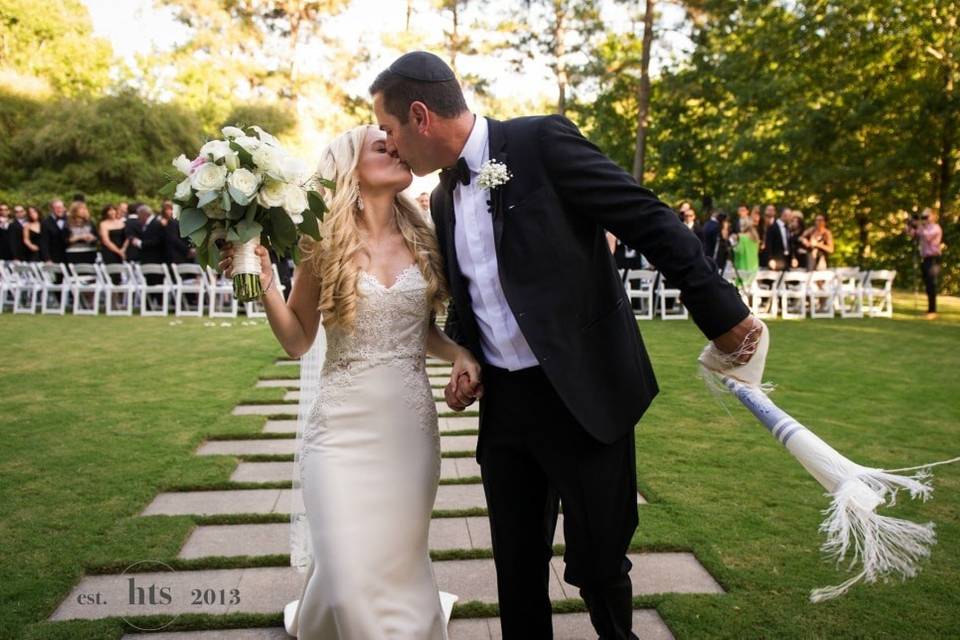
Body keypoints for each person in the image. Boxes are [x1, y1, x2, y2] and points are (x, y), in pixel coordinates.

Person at [371, 51, 760, 639]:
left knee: (600, 564)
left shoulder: (540, 143)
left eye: (390, 128)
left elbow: (649, 219)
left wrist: (722, 315)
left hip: (584, 395)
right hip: (507, 410)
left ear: (420, 115)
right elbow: (478, 294)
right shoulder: (445, 199)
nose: (389, 144)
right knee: (516, 570)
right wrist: (464, 356)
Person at [220, 124, 473, 639]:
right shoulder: (321, 242)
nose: (397, 149)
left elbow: (419, 331)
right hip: (340, 431)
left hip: (408, 431)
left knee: (396, 563)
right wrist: (267, 283)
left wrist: (460, 354)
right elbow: (297, 341)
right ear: (350, 169)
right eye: (382, 147)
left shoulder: (425, 234)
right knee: (345, 583)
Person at [906, 208, 943, 318]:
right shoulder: (924, 227)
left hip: (933, 259)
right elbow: (911, 234)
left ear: (933, 216)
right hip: (925, 259)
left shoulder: (936, 228)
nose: (924, 219)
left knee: (932, 284)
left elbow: (927, 237)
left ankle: (933, 311)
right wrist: (910, 223)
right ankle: (929, 310)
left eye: (926, 216)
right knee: (927, 285)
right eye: (923, 216)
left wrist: (919, 225)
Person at [730, 214, 760, 286]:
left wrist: (733, 243)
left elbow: (739, 251)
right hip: (754, 268)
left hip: (743, 268)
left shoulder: (741, 237)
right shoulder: (756, 237)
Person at [40, 199, 68, 264]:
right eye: (57, 208)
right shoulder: (45, 223)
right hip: (54, 257)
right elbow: (44, 242)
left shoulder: (69, 220)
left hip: (69, 257)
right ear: (51, 209)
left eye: (61, 207)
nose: (60, 210)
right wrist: (47, 259)